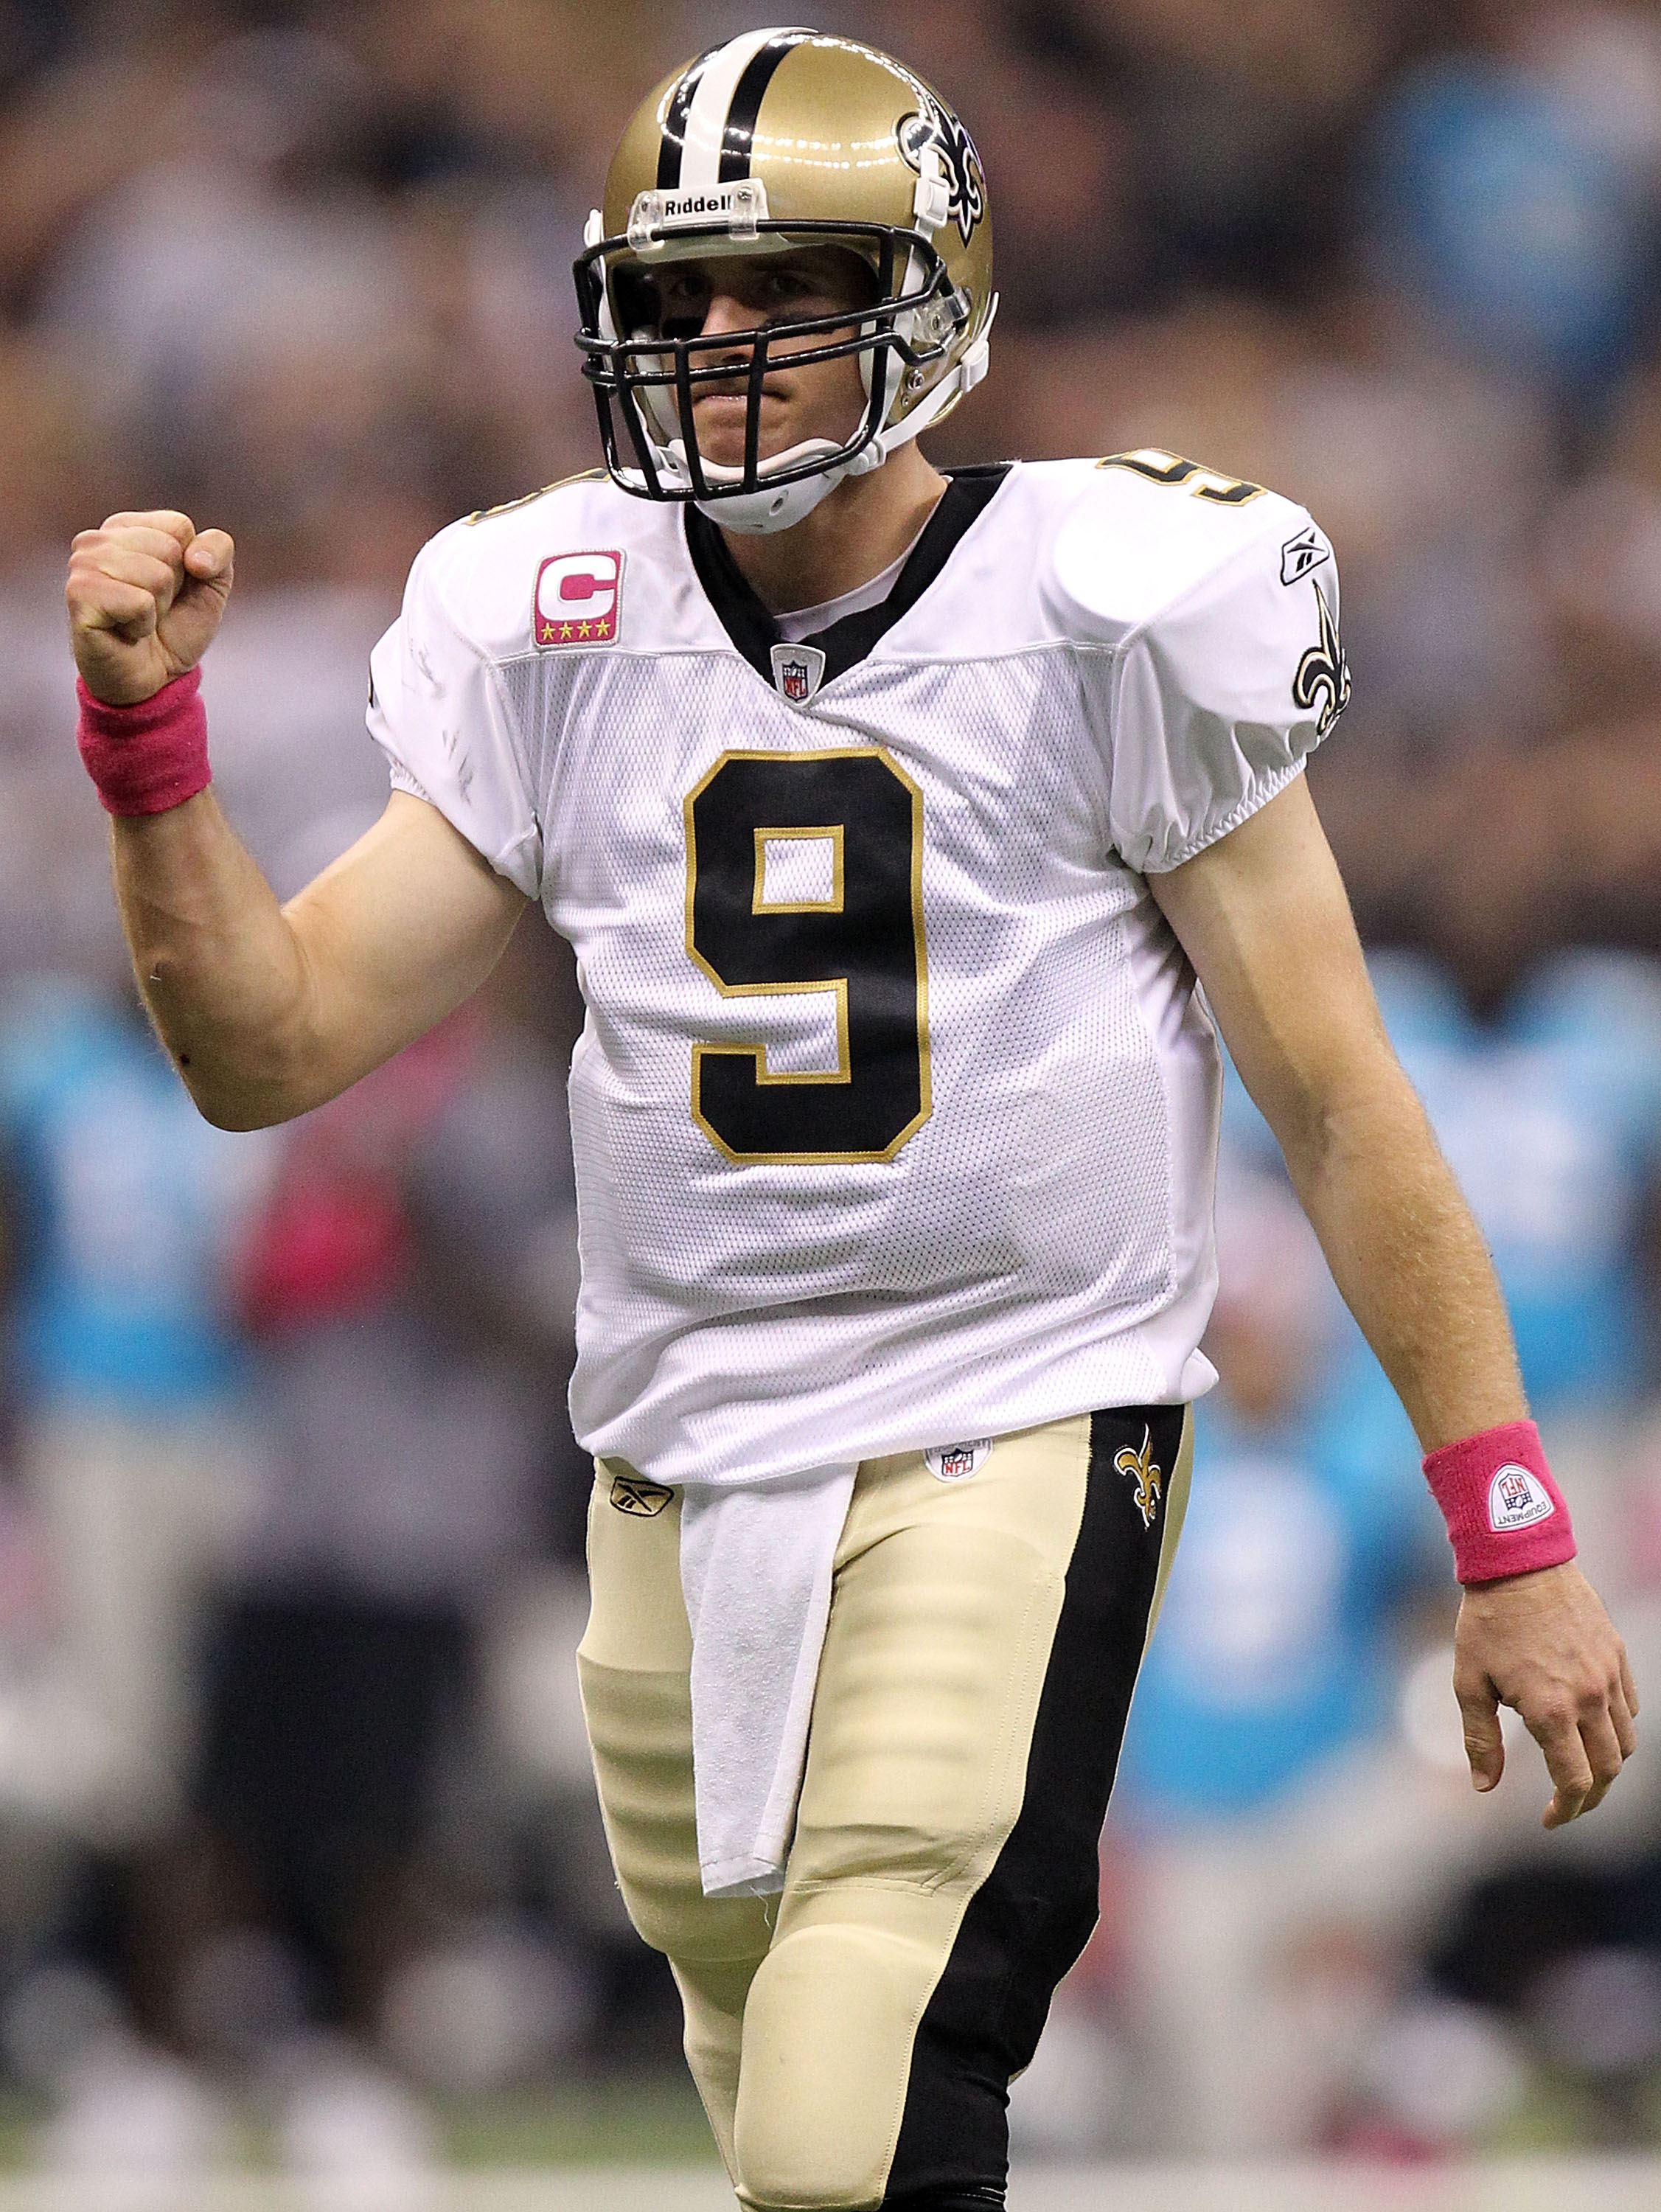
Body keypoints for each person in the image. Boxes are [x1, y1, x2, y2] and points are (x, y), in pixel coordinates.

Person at [63, 27, 1637, 2212]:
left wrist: (1513, 1535)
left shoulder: (1106, 605)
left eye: (780, 290)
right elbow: (269, 1043)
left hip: (1017, 1411)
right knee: (794, 2113)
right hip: (676, 1461)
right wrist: (151, 755)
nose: (716, 349)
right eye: (676, 301)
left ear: (932, 294)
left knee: (845, 2108)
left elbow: (1343, 1102)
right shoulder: (552, 615)